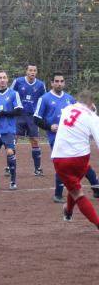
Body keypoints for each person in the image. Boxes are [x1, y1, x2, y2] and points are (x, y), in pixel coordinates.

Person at [34, 73, 99, 202]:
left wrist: (91, 110)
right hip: (56, 139)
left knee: (81, 164)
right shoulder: (45, 98)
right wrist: (49, 126)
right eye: (56, 81)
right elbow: (36, 119)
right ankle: (58, 194)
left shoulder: (69, 99)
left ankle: (96, 188)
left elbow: (80, 114)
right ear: (51, 83)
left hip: (73, 137)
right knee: (63, 165)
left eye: (61, 81)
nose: (59, 83)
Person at [51, 90, 99, 230]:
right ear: (92, 103)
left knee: (75, 188)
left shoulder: (67, 109)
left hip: (60, 157)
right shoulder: (92, 117)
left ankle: (68, 210)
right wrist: (94, 114)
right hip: (80, 158)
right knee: (77, 191)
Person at [0, 71, 23, 191]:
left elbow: (19, 110)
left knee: (10, 152)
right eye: (0, 78)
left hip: (8, 130)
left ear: (7, 80)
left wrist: (3, 113)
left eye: (4, 78)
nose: (2, 80)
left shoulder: (14, 94)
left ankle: (13, 182)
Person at [10, 64, 46, 176]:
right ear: (26, 71)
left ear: (36, 72)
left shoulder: (41, 85)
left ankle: (37, 168)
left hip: (32, 117)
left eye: (34, 70)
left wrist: (41, 115)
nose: (32, 72)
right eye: (30, 70)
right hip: (19, 115)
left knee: (35, 140)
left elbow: (44, 100)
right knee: (13, 140)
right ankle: (9, 166)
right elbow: (10, 95)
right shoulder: (18, 82)